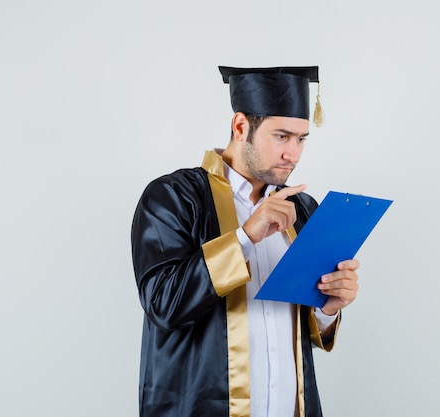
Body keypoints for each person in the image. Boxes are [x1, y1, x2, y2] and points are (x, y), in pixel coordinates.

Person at [131, 66, 361, 417]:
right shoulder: (173, 197)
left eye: (301, 139)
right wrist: (246, 236)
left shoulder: (302, 208)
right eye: (281, 137)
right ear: (240, 127)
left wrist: (328, 308)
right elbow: (163, 304)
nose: (293, 155)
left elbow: (304, 326)